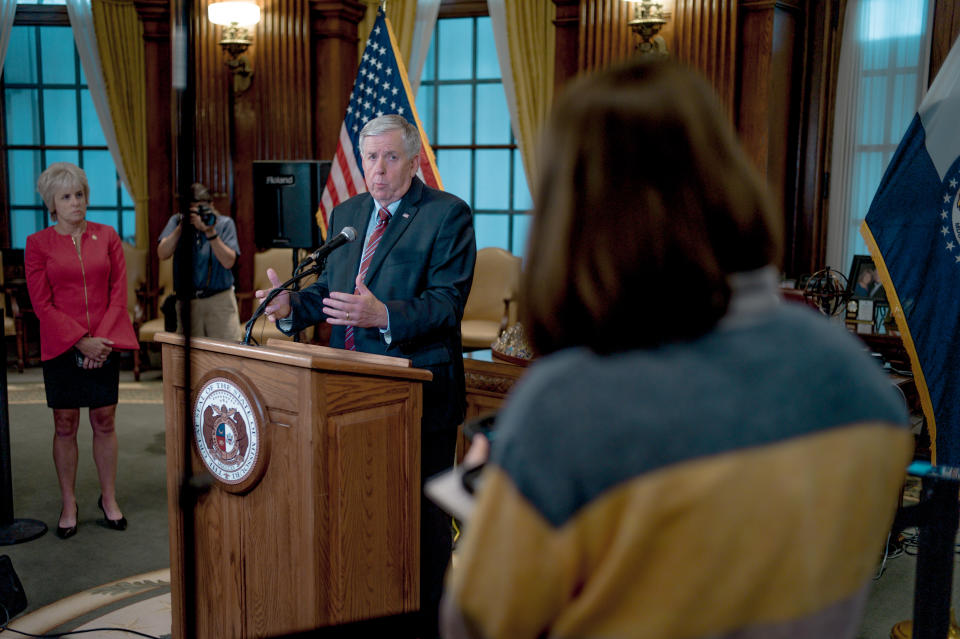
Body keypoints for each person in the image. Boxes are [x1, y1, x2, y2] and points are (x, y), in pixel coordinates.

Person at [440, 60, 912, 639]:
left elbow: (477, 623)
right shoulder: (867, 389)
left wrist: (493, 498)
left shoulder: (566, 411)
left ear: (572, 215)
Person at [256, 113, 475, 638]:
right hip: (346, 395)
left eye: (390, 157)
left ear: (413, 159)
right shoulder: (347, 213)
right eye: (369, 158)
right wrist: (290, 306)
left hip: (418, 394)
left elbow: (447, 305)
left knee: (421, 526)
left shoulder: (447, 215)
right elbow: (331, 297)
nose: (378, 170)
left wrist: (386, 316)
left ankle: (428, 625)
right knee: (358, 514)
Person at [25, 162, 139, 539]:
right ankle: (69, 501)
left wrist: (99, 342)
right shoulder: (37, 244)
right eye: (67, 197)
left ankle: (108, 499)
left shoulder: (107, 236)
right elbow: (42, 305)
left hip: (105, 343)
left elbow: (118, 295)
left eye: (81, 195)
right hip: (62, 345)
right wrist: (80, 340)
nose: (77, 203)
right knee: (65, 424)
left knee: (104, 419)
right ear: (52, 204)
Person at [157, 182, 241, 340]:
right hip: (187, 303)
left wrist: (210, 232)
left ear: (212, 205)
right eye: (192, 209)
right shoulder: (177, 222)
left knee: (226, 356)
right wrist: (181, 227)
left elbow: (229, 262)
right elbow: (162, 253)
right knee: (193, 359)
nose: (197, 214)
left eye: (201, 208)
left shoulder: (224, 224)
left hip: (219, 301)